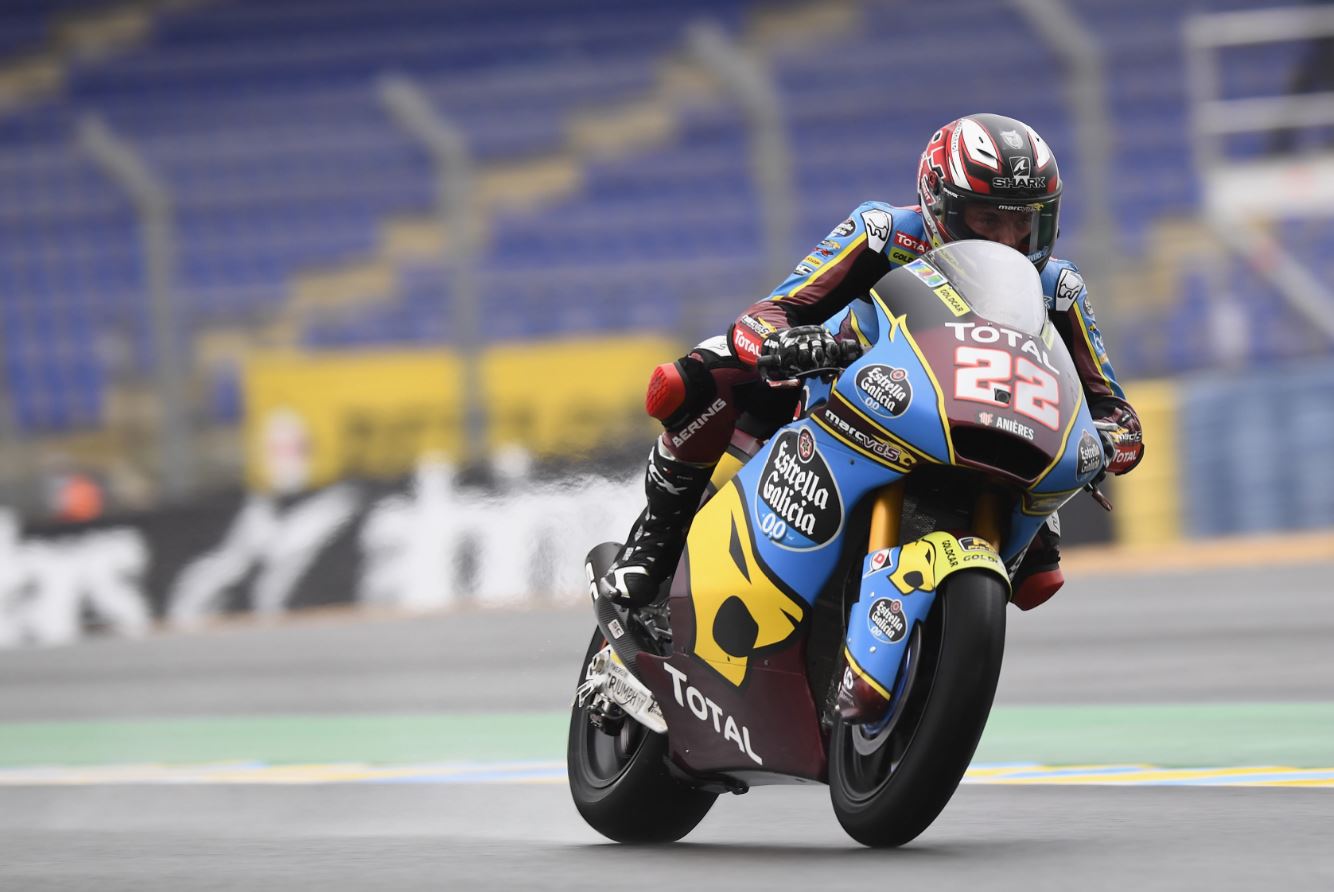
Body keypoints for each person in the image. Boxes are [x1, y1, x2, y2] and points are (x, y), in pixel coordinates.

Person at [598, 113, 1144, 612]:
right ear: (938, 203)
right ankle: (655, 542)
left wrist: (1108, 440)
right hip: (850, 395)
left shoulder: (1059, 288)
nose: (1007, 240)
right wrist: (783, 344)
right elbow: (769, 312)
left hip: (988, 427)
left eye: (1024, 224)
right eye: (987, 219)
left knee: (1038, 578)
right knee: (700, 375)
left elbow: (1114, 410)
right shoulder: (884, 233)